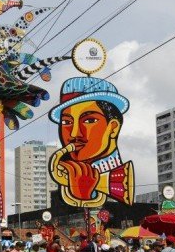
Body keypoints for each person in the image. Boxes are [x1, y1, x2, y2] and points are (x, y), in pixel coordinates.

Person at [47, 77, 134, 208]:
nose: (74, 133)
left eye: (89, 121)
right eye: (66, 122)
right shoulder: (65, 167)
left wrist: (83, 195)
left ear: (113, 127)